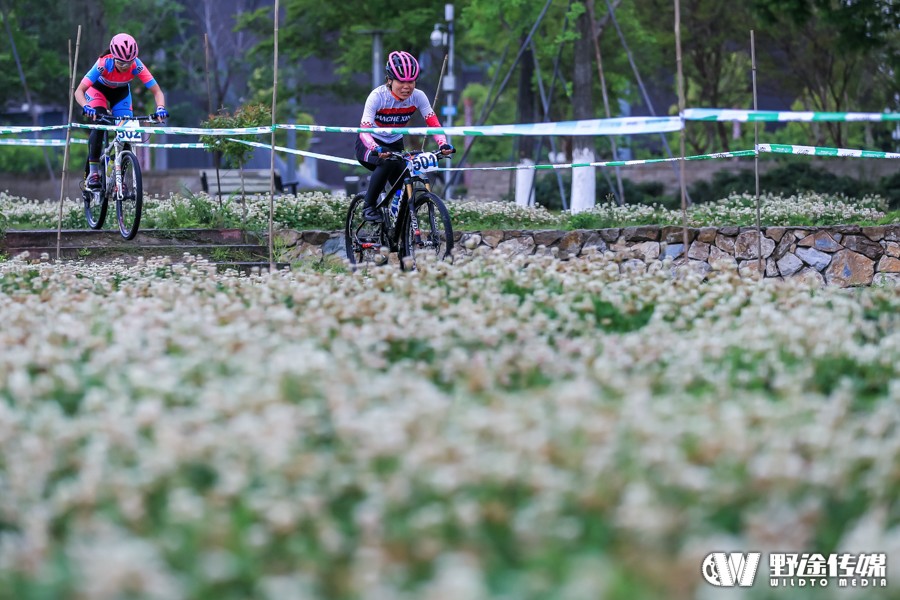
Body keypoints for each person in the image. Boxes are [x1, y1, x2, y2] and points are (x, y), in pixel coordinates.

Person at [356, 50, 454, 222]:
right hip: (370, 144)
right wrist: (376, 148)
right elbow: (364, 130)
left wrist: (442, 144)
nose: (407, 86)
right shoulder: (377, 97)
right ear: (389, 80)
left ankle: (398, 231)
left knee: (404, 183)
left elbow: (433, 124)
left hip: (395, 143)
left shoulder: (418, 97)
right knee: (386, 163)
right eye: (401, 81)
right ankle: (369, 206)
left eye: (411, 81)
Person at [74, 33, 168, 189]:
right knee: (99, 123)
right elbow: (79, 91)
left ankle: (118, 174)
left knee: (127, 132)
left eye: (128, 62)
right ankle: (94, 172)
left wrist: (160, 108)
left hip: (121, 94)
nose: (125, 66)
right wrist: (86, 107)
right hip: (98, 91)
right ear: (113, 56)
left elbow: (157, 91)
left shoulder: (137, 65)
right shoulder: (103, 63)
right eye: (121, 62)